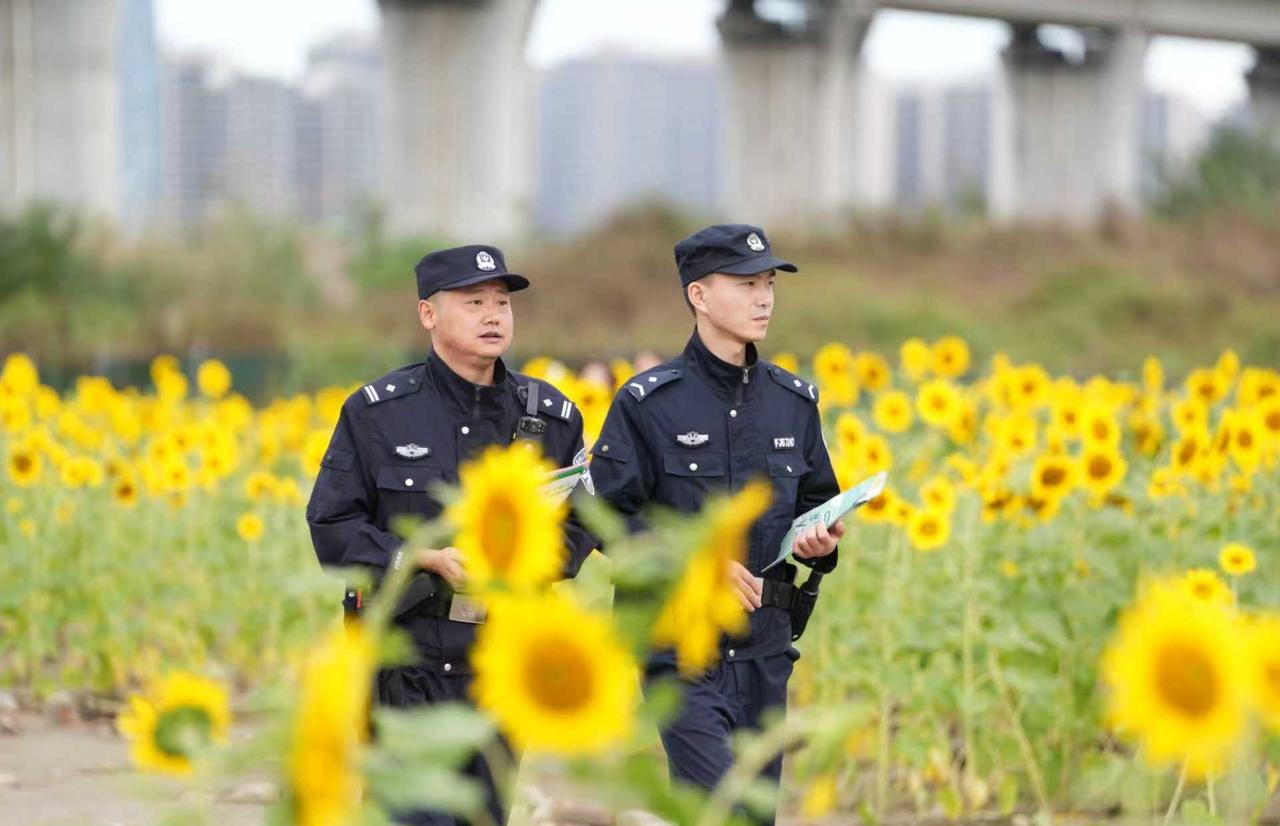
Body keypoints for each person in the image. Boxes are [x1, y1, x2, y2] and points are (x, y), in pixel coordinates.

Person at [306, 244, 596, 825]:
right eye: (473, 303)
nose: (493, 315)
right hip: (405, 663)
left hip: (499, 665)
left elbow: (579, 525)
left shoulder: (552, 418)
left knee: (483, 816)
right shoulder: (378, 413)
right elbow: (332, 525)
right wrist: (423, 557)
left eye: (501, 303)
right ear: (428, 314)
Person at [589, 224, 843, 825]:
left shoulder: (793, 402)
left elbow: (819, 507)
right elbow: (604, 519)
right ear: (699, 295)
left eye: (769, 285)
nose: (764, 298)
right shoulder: (647, 404)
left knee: (753, 816)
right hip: (681, 649)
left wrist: (821, 541)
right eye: (746, 284)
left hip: (767, 649)